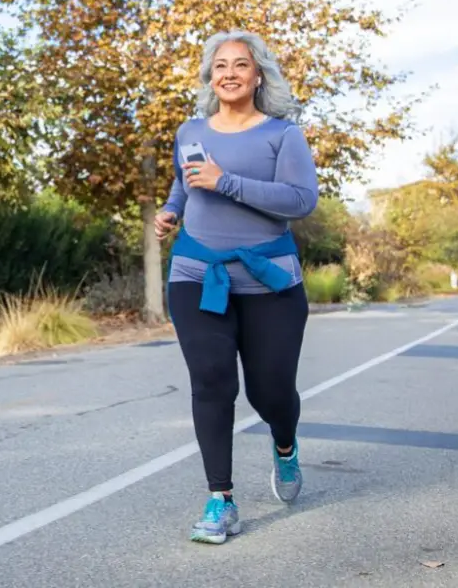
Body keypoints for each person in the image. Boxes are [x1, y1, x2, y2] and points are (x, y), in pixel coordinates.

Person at [155, 30, 319, 545]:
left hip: (269, 278)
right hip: (197, 272)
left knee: (269, 390)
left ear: (258, 75)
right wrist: (171, 211)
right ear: (210, 77)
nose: (229, 72)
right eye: (219, 65)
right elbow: (185, 183)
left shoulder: (282, 134)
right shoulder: (189, 130)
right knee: (211, 381)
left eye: (240, 65)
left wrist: (227, 182)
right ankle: (220, 500)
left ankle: (285, 443)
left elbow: (300, 201)